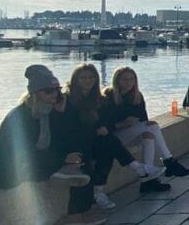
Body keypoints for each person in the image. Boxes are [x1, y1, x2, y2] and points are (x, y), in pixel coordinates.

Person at [0, 65, 106, 225]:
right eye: (49, 91)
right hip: (10, 169)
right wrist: (62, 159)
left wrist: (63, 113)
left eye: (57, 90)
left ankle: (81, 210)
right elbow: (23, 153)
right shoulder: (22, 116)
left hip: (37, 160)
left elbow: (69, 134)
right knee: (80, 166)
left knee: (83, 154)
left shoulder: (47, 110)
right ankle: (74, 215)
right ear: (35, 93)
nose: (55, 94)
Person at [66, 63, 164, 208]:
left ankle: (99, 192)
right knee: (108, 142)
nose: (88, 81)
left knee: (107, 146)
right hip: (77, 143)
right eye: (83, 78)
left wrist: (103, 128)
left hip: (97, 140)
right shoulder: (68, 99)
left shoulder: (97, 99)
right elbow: (71, 126)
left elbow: (104, 120)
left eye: (91, 77)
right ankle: (139, 169)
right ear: (76, 80)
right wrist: (98, 130)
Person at [99, 67, 189, 192]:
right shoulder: (108, 96)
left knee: (149, 135)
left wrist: (133, 124)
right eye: (124, 79)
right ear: (117, 80)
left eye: (131, 79)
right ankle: (169, 161)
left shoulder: (136, 96)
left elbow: (144, 120)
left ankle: (148, 181)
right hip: (113, 137)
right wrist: (122, 124)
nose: (128, 83)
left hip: (130, 133)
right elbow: (103, 124)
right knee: (153, 126)